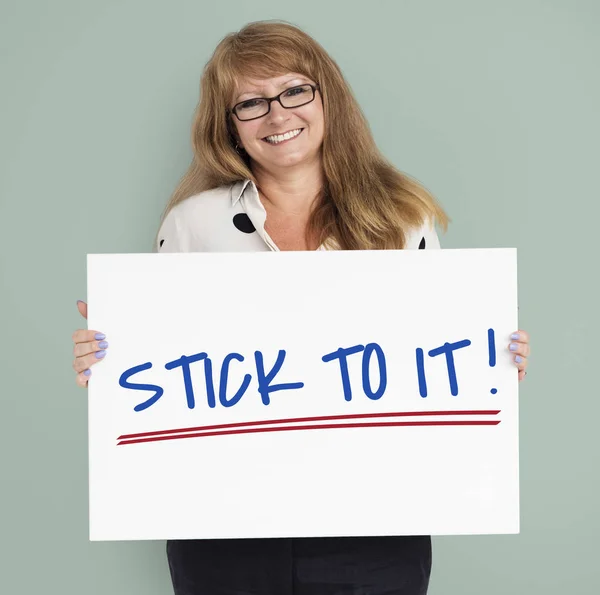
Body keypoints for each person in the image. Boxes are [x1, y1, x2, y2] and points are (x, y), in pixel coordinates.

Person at [71, 20, 531, 595]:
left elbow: (440, 356)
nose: (278, 115)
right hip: (224, 529)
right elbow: (163, 370)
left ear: (325, 97)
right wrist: (108, 362)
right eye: (251, 103)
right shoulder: (194, 224)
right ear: (229, 126)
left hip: (375, 527)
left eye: (294, 91)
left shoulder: (403, 218)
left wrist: (492, 358)